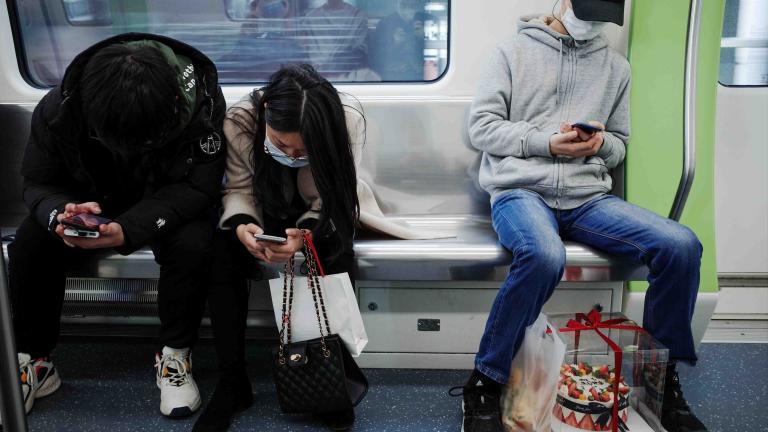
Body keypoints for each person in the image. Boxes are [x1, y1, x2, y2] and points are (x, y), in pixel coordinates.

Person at [462, 1, 708, 431]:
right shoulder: (510, 52)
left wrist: (599, 145)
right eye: (587, 12)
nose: (592, 24)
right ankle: (486, 379)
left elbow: (619, 144)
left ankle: (658, 380)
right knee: (544, 256)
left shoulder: (616, 68)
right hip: (521, 192)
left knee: (681, 245)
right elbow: (481, 127)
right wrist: (546, 142)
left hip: (587, 199)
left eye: (601, 18)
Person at [5, 33, 226, 422]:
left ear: (172, 108)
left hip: (165, 197)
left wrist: (129, 229)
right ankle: (35, 360)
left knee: (195, 239)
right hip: (89, 201)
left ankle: (175, 354)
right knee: (30, 240)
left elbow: (198, 187)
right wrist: (61, 214)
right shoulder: (61, 108)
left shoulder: (201, 108)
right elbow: (38, 181)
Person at [192, 64, 363, 432]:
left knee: (337, 250)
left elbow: (336, 195)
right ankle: (232, 381)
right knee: (219, 251)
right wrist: (243, 227)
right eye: (281, 144)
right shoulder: (242, 120)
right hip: (264, 206)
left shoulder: (346, 121)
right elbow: (239, 188)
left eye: (303, 149)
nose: (292, 154)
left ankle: (329, 373)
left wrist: (305, 235)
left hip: (322, 209)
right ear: (267, 113)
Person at [301, 0, 370, 78]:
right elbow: (305, 52)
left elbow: (359, 54)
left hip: (348, 76)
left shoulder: (357, 17)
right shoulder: (311, 18)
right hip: (318, 77)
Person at [369, 0, 430, 81]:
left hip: (422, 76)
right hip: (394, 77)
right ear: (398, 3)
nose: (409, 7)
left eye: (413, 4)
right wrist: (395, 43)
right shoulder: (385, 24)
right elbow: (376, 57)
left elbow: (436, 51)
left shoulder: (427, 20)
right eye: (405, 4)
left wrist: (423, 37)